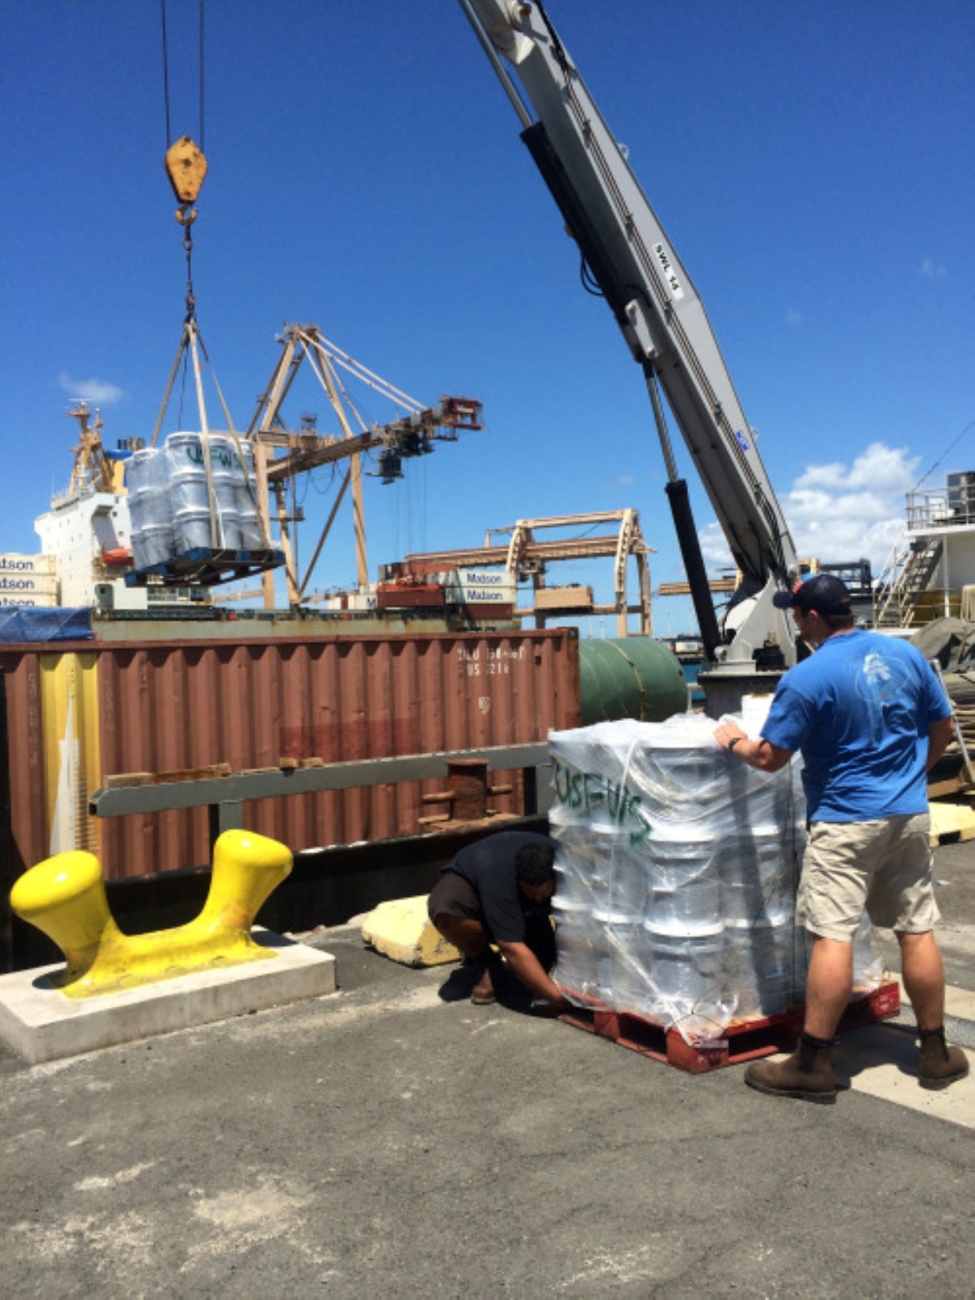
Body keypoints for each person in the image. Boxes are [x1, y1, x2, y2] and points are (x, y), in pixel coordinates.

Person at [714, 573, 968, 1103]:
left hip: (845, 821)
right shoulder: (907, 656)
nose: (793, 622)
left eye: (794, 614)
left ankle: (812, 1063)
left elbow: (770, 757)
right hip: (907, 815)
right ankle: (935, 1053)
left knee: (831, 935)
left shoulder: (808, 676)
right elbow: (943, 727)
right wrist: (912, 777)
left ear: (811, 617)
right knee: (915, 929)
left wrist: (733, 740)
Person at [427, 829, 571, 1014]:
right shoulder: (499, 879)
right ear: (518, 882)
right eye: (532, 893)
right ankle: (486, 963)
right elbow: (510, 947)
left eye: (543, 893)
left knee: (543, 964)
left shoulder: (569, 868)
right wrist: (556, 998)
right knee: (445, 907)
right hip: (477, 888)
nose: (537, 898)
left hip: (530, 914)